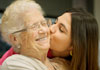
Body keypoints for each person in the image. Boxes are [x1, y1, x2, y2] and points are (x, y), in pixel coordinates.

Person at [0, 0, 55, 70]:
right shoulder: (14, 65)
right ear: (15, 39)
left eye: (44, 23)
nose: (43, 30)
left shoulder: (59, 61)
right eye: (34, 26)